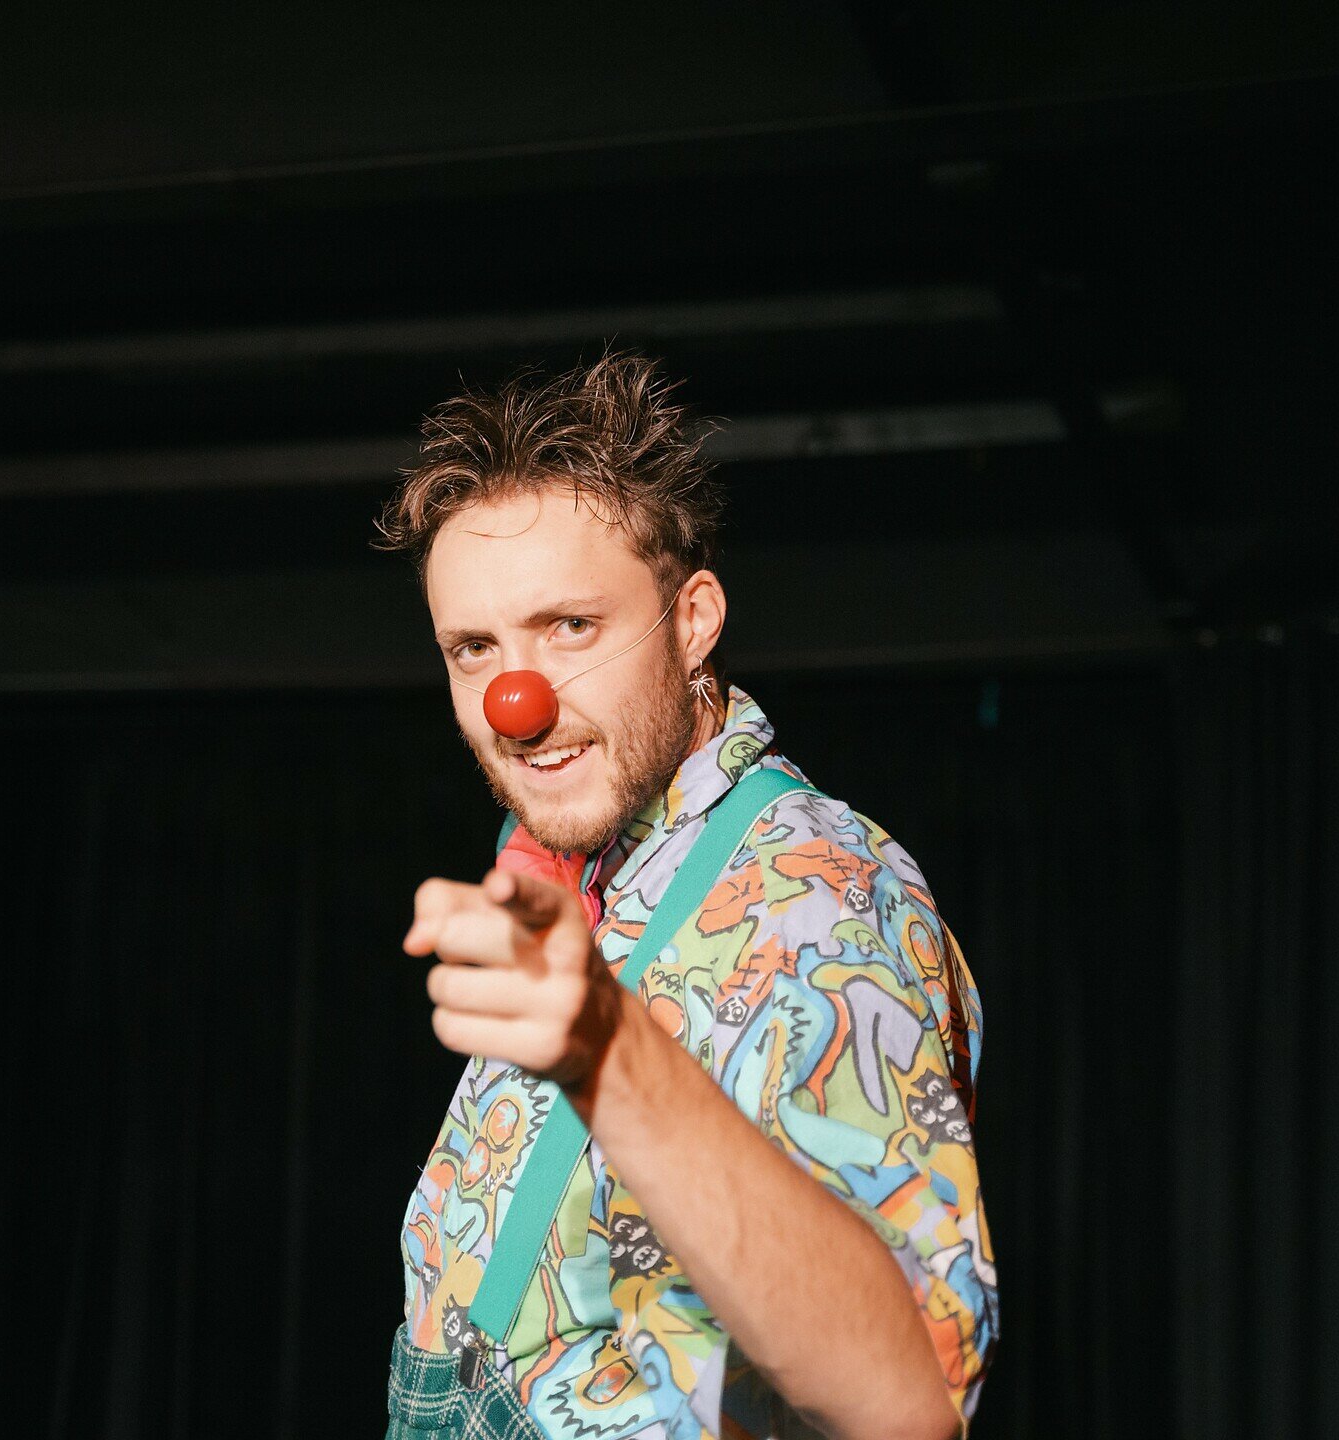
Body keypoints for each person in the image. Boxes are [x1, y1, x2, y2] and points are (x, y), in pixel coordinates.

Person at [372, 353, 996, 1440]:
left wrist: (609, 1050)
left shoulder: (815, 898)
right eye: (474, 648)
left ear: (693, 618)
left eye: (571, 626)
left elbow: (909, 1403)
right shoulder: (587, 872)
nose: (515, 702)